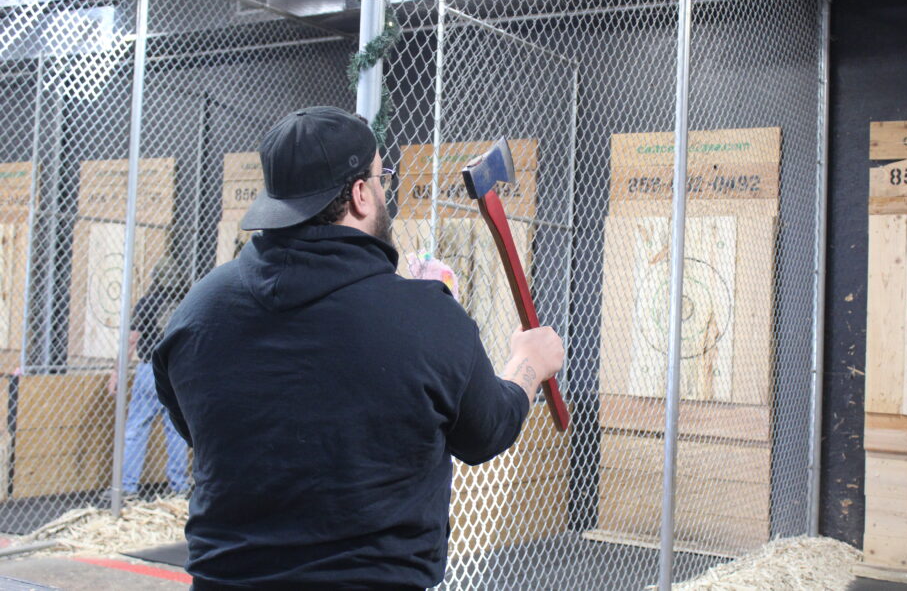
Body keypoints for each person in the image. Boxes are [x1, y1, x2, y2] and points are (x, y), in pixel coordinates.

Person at [152, 106, 564, 590]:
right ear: (360, 194)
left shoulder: (198, 311)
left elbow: (198, 428)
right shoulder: (426, 318)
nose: (384, 190)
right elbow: (485, 432)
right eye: (381, 177)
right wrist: (527, 364)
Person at [107, 257, 191, 500]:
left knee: (137, 427)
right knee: (176, 429)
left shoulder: (148, 302)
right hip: (179, 370)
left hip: (151, 370)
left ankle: (127, 487)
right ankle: (179, 486)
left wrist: (117, 372)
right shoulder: (186, 303)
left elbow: (132, 339)